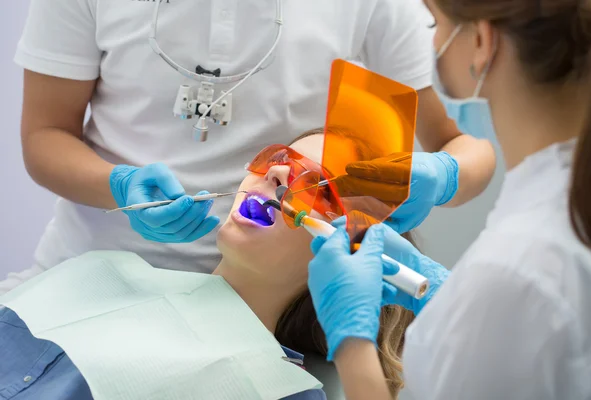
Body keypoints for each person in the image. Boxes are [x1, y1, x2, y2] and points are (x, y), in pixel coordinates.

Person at [0, 0, 497, 294]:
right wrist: (117, 187)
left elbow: (457, 142)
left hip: (265, 304)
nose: (276, 176)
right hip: (86, 275)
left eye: (297, 170)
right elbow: (45, 135)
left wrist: (445, 173)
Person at [307, 0, 591, 399]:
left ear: (482, 40)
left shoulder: (517, 274)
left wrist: (352, 344)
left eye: (434, 23)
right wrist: (447, 291)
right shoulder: (561, 212)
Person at [0, 129, 418, 399]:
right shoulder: (103, 270)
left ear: (352, 256)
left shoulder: (281, 390)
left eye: (320, 190)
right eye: (282, 158)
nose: (276, 174)